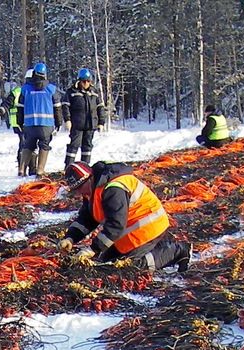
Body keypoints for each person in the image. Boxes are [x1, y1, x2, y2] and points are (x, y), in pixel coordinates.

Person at [58, 161, 191, 272]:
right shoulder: (93, 189)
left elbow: (116, 224)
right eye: (76, 190)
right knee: (106, 264)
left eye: (81, 187)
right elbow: (88, 217)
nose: (80, 192)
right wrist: (71, 238)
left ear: (90, 178)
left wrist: (93, 249)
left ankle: (178, 251)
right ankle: (157, 247)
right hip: (129, 232)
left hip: (148, 227)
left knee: (132, 268)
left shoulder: (113, 189)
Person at [19, 62, 65, 177]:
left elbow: (20, 107)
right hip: (46, 125)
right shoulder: (51, 89)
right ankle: (40, 170)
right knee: (44, 146)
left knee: (28, 146)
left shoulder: (25, 90)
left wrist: (20, 122)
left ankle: (21, 169)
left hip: (29, 125)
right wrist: (59, 122)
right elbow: (57, 107)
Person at [63, 68, 107, 168]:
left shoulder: (94, 92)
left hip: (90, 124)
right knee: (73, 146)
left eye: (88, 81)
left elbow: (100, 108)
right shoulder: (72, 92)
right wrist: (67, 120)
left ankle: (85, 168)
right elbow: (65, 107)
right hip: (77, 124)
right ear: (79, 81)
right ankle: (68, 167)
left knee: (87, 147)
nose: (86, 83)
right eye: (84, 81)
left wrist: (101, 122)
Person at [0, 75, 26, 175]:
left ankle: (30, 168)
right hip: (19, 122)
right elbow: (8, 102)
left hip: (28, 122)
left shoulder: (29, 91)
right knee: (24, 143)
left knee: (29, 144)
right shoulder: (18, 91)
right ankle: (21, 168)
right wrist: (2, 109)